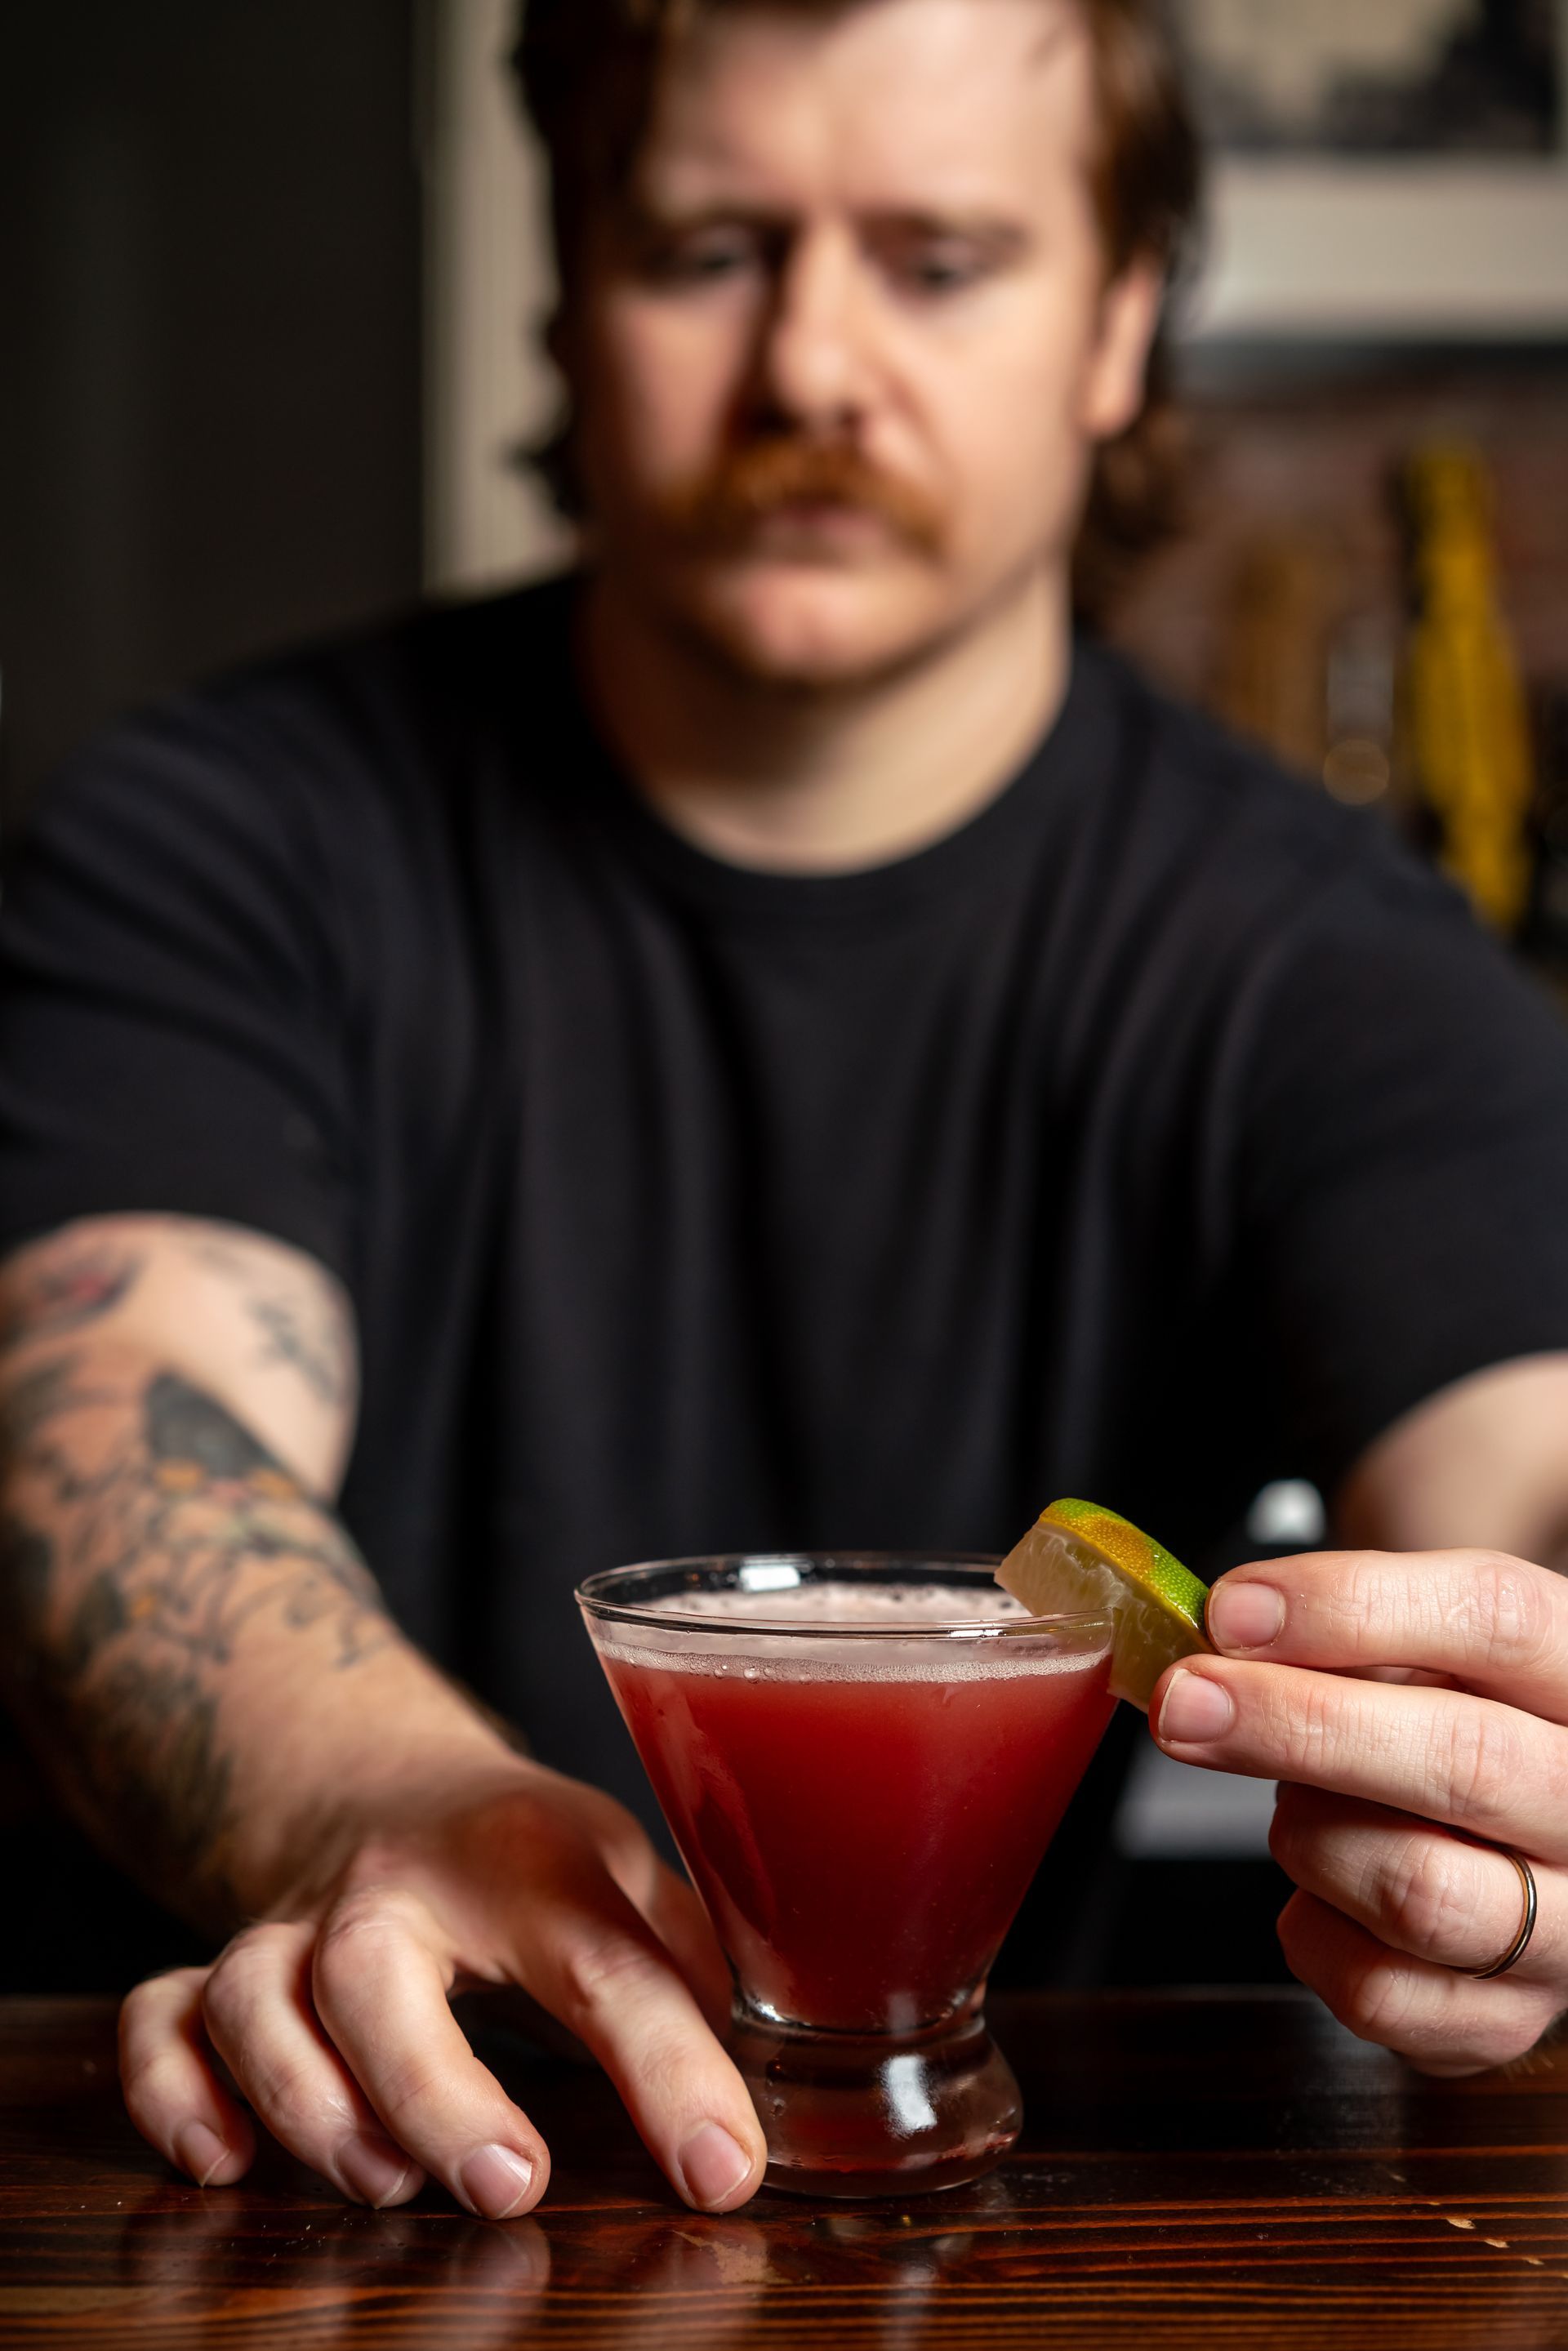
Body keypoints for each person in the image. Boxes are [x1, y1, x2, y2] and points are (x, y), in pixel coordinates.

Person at [2, 0, 1568, 2224]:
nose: (815, 367)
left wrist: (1527, 1755)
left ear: (1119, 325)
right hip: (301, 2191)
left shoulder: (1336, 963)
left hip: (951, 2235)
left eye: (941, 261)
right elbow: (110, 1440)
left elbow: (1526, 1472)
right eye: (710, 250)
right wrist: (388, 1804)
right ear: (572, 290)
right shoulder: (209, 844)